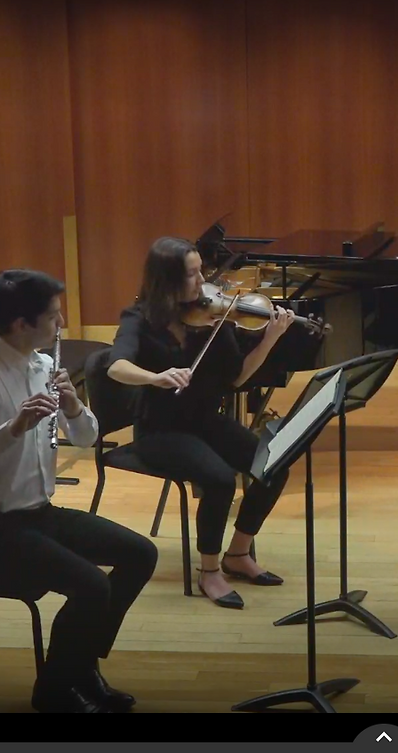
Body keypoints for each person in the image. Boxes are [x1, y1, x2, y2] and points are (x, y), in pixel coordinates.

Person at [0, 269, 159, 714]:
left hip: (39, 514)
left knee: (141, 554)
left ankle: (81, 667)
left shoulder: (42, 366)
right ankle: (56, 689)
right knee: (92, 586)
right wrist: (13, 427)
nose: (62, 325)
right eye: (54, 316)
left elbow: (86, 439)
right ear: (22, 324)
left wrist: (75, 407)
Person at [106, 236, 296, 610]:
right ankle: (209, 571)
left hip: (205, 420)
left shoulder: (212, 317)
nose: (202, 281)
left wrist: (270, 339)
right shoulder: (139, 318)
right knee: (220, 479)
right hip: (160, 429)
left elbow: (237, 378)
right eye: (191, 274)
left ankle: (238, 553)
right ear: (166, 280)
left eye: (201, 271)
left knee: (274, 464)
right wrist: (155, 377)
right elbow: (117, 366)